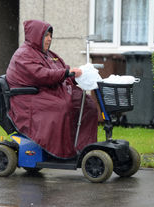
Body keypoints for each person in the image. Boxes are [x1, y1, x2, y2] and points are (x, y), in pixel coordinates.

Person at [6, 19, 98, 158]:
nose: (49, 39)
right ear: (36, 36)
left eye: (50, 35)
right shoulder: (23, 54)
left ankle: (85, 149)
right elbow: (41, 75)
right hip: (27, 99)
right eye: (45, 35)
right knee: (63, 106)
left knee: (87, 104)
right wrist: (66, 73)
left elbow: (61, 70)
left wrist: (75, 75)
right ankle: (63, 151)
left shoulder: (49, 54)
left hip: (46, 91)